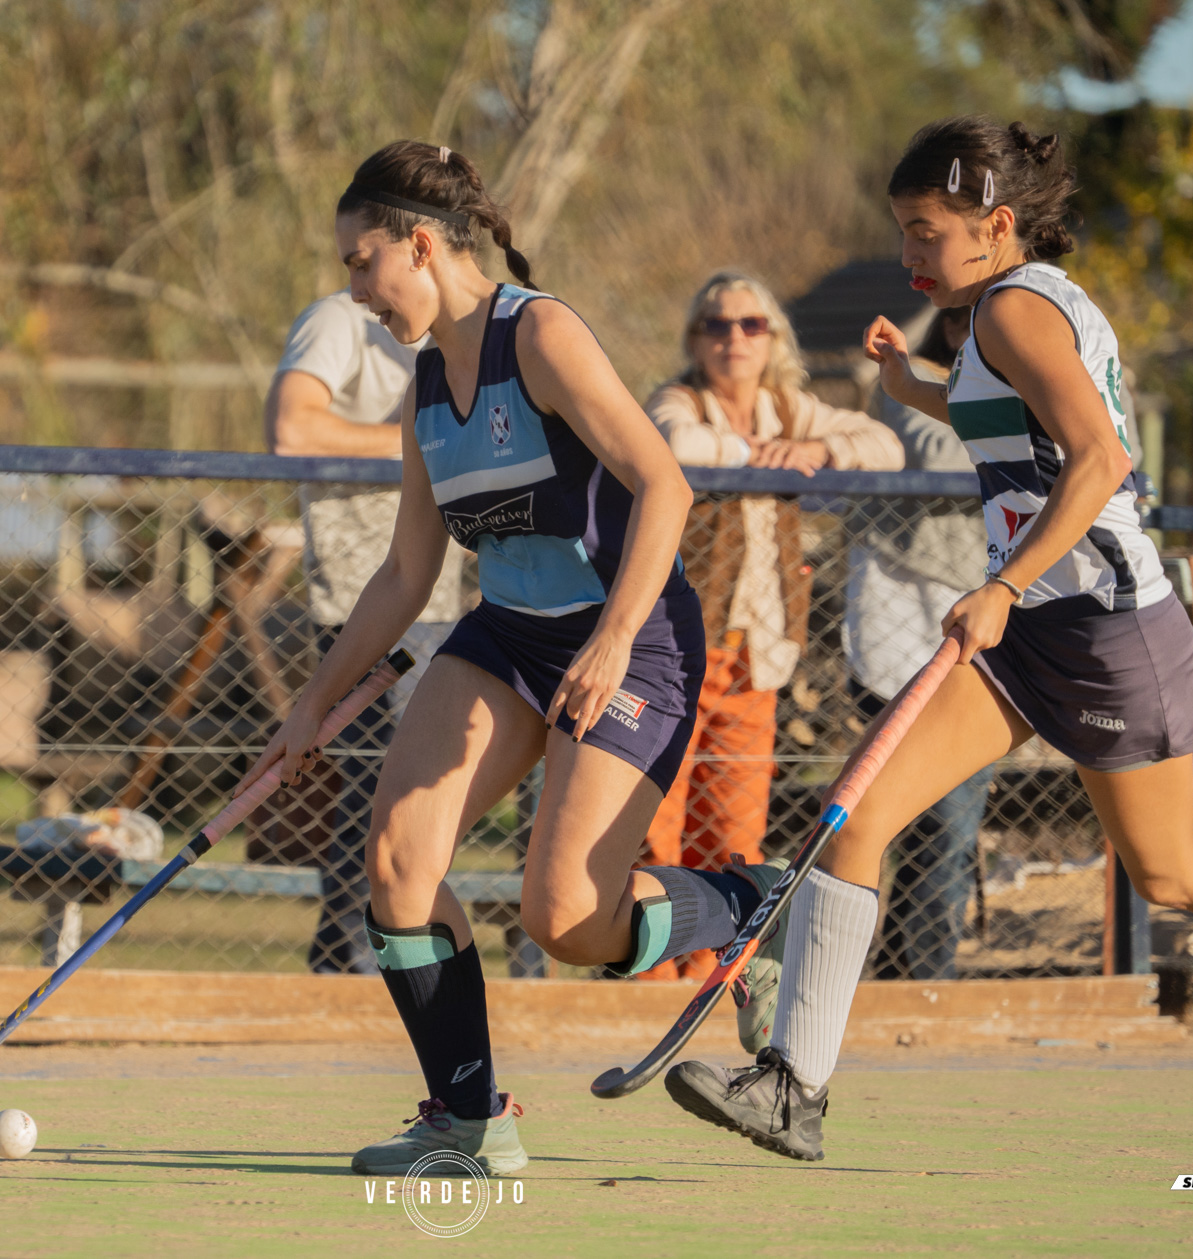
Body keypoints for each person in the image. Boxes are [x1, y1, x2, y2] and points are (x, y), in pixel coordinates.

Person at [665, 116, 1193, 1162]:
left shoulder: (1019, 308)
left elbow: (1101, 458)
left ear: (997, 225)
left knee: (1173, 873)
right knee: (859, 813)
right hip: (1027, 630)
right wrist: (915, 388)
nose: (908, 252)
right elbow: (1015, 422)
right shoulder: (997, 313)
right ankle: (792, 1085)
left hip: (1107, 630)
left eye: (925, 231)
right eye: (901, 228)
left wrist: (1005, 582)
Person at [235, 140, 784, 1176]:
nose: (355, 290)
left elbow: (665, 487)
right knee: (398, 866)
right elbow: (407, 574)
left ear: (421, 245)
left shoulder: (540, 334)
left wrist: (613, 639)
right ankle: (469, 1116)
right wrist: (311, 702)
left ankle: (741, 905)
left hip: (631, 636)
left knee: (566, 917)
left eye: (362, 262)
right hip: (509, 635)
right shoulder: (424, 384)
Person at [640, 272, 901, 1035]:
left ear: (774, 338)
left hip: (759, 655)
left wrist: (813, 447)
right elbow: (673, 443)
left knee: (731, 830)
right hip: (675, 650)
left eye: (752, 324)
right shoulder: (680, 400)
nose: (735, 338)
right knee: (654, 824)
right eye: (718, 325)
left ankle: (711, 981)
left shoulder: (792, 407)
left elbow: (885, 446)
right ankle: (648, 982)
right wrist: (758, 456)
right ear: (696, 338)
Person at [264, 287, 465, 974]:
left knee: (421, 787)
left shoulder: (457, 333)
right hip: (363, 595)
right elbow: (292, 429)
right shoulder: (338, 319)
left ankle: (378, 950)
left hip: (442, 597)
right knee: (377, 782)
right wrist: (427, 440)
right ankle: (349, 954)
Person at [843, 305, 994, 981]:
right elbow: (936, 452)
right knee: (897, 816)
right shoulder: (913, 379)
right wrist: (1033, 436)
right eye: (968, 320)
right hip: (901, 621)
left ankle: (914, 978)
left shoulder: (1030, 389)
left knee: (949, 820)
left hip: (986, 623)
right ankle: (879, 975)